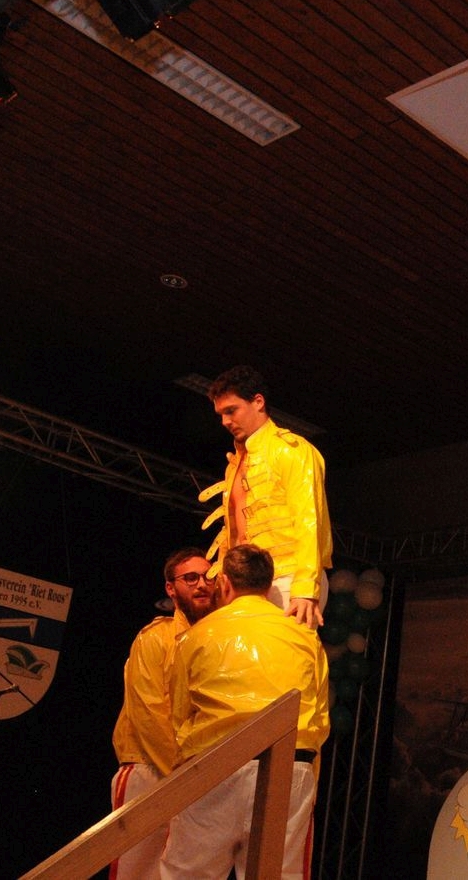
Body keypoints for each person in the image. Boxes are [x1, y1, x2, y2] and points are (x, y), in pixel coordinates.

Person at [163, 544, 330, 879]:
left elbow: (179, 715)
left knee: (187, 874)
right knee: (278, 875)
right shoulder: (306, 638)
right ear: (269, 585)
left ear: (224, 583)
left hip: (213, 763)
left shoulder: (196, 636)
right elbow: (320, 717)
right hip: (288, 764)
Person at [108, 548, 218, 880]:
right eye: (191, 578)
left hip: (194, 774)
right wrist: (185, 777)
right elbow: (148, 715)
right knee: (137, 872)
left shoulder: (217, 639)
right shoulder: (155, 637)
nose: (202, 584)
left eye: (208, 577)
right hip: (150, 768)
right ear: (171, 588)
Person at [200, 366, 333, 629]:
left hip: (287, 576)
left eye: (231, 411)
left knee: (279, 654)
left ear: (258, 402)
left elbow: (310, 519)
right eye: (221, 414)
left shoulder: (291, 450)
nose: (225, 421)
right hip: (244, 584)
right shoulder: (235, 464)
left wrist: (305, 587)